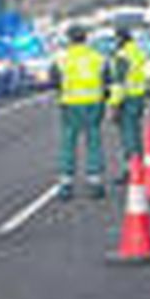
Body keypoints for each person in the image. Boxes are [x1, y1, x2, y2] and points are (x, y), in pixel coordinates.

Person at [51, 26, 108, 200]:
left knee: (68, 142)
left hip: (70, 104)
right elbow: (107, 80)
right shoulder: (98, 58)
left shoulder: (61, 59)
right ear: (86, 38)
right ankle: (95, 182)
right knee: (94, 140)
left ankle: (66, 183)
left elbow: (54, 80)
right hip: (94, 103)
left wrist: (62, 93)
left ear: (69, 39)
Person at [107, 26, 149, 179]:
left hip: (126, 99)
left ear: (120, 39)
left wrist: (114, 104)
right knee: (136, 133)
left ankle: (132, 169)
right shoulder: (137, 52)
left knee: (128, 135)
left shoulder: (122, 56)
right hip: (138, 96)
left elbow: (119, 82)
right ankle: (140, 164)